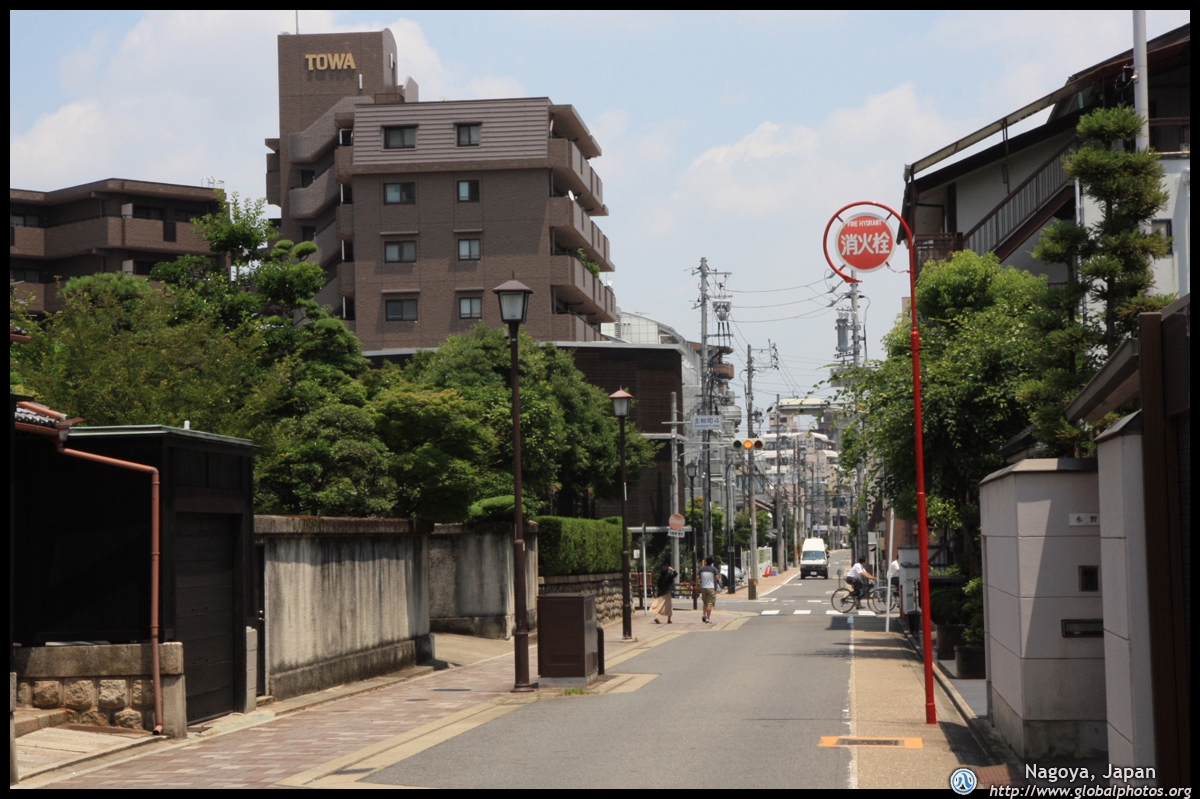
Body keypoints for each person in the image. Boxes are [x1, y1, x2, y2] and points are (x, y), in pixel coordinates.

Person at [698, 557, 720, 623]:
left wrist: (696, 585)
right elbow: (717, 578)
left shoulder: (701, 569)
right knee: (709, 604)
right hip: (711, 587)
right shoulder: (714, 569)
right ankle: (708, 618)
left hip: (703, 587)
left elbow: (697, 577)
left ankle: (704, 614)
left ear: (706, 561)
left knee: (705, 603)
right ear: (712, 562)